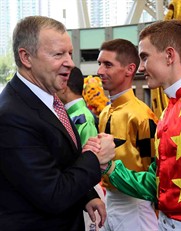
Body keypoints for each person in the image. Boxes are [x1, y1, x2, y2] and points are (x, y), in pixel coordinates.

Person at [88, 20, 181, 230]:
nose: (141, 67)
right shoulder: (166, 113)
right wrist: (109, 167)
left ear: (170, 55)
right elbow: (156, 184)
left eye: (145, 57)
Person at [0, 15, 115, 231]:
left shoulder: (49, 100)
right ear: (26, 57)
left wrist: (87, 195)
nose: (70, 63)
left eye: (70, 53)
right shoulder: (12, 116)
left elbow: (61, 162)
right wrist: (95, 157)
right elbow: (52, 194)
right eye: (58, 54)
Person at [97, 38, 159, 231]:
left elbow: (155, 170)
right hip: (110, 200)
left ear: (130, 69)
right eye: (100, 64)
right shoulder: (105, 112)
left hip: (136, 205)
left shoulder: (141, 114)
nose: (100, 71)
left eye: (108, 65)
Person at [57, 66, 105, 231]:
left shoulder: (83, 117)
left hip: (85, 187)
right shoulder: (70, 114)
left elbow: (89, 159)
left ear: (64, 86)